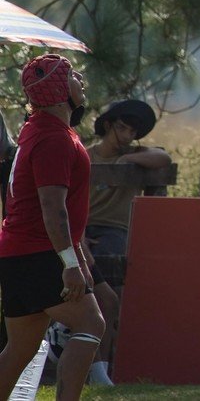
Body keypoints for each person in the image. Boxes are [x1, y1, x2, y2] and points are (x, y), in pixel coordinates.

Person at [0, 55, 106, 401]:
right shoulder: (53, 140)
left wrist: (77, 255)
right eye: (72, 76)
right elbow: (53, 210)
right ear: (61, 92)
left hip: (20, 253)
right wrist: (71, 265)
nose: (80, 80)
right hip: (38, 252)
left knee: (19, 350)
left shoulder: (40, 129)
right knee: (91, 325)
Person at [84, 97, 169, 386]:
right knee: (96, 297)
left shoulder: (136, 157)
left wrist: (127, 159)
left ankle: (102, 367)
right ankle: (94, 368)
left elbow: (163, 159)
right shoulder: (86, 155)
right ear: (108, 125)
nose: (127, 136)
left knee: (108, 295)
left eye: (133, 132)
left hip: (115, 230)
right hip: (82, 229)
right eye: (122, 128)